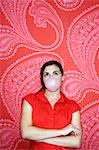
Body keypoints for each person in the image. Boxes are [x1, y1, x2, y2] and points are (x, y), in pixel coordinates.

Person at [20, 60, 82, 150]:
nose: (51, 77)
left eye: (55, 73)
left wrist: (38, 136)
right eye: (46, 74)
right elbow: (25, 133)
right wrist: (61, 132)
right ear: (43, 79)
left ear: (62, 77)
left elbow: (76, 142)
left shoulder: (73, 106)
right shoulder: (29, 100)